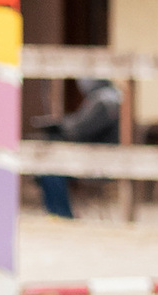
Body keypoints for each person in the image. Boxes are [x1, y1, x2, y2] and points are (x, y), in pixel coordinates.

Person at [33, 78, 121, 218]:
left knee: (50, 167)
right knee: (48, 166)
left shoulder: (104, 101)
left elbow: (80, 129)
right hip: (99, 160)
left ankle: (61, 215)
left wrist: (58, 126)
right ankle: (57, 214)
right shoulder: (112, 98)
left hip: (97, 164)